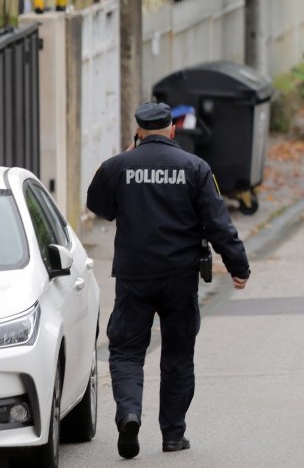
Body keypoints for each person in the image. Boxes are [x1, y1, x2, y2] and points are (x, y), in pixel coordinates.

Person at [87, 102, 250, 459]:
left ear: (138, 131)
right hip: (179, 277)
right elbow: (218, 223)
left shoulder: (118, 166)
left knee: (127, 350)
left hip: (134, 276)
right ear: (173, 129)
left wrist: (128, 156)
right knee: (178, 354)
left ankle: (129, 413)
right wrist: (238, 265)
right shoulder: (195, 168)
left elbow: (98, 205)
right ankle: (173, 435)